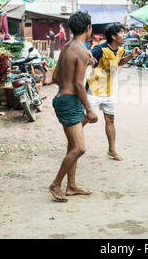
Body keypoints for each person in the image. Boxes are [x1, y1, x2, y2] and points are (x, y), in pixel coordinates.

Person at [49, 11, 98, 202]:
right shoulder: (82, 51)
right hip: (70, 102)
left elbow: (54, 77)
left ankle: (71, 186)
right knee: (80, 148)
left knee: (72, 145)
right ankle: (56, 184)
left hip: (63, 98)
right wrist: (90, 110)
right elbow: (79, 85)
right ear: (88, 28)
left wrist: (85, 63)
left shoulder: (68, 47)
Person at [84, 23, 141, 161]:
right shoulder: (100, 49)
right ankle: (73, 143)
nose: (124, 35)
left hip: (108, 92)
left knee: (110, 119)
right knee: (85, 119)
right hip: (93, 90)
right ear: (113, 36)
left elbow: (119, 62)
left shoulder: (120, 49)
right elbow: (85, 58)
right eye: (122, 33)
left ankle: (112, 150)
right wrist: (88, 60)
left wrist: (131, 56)